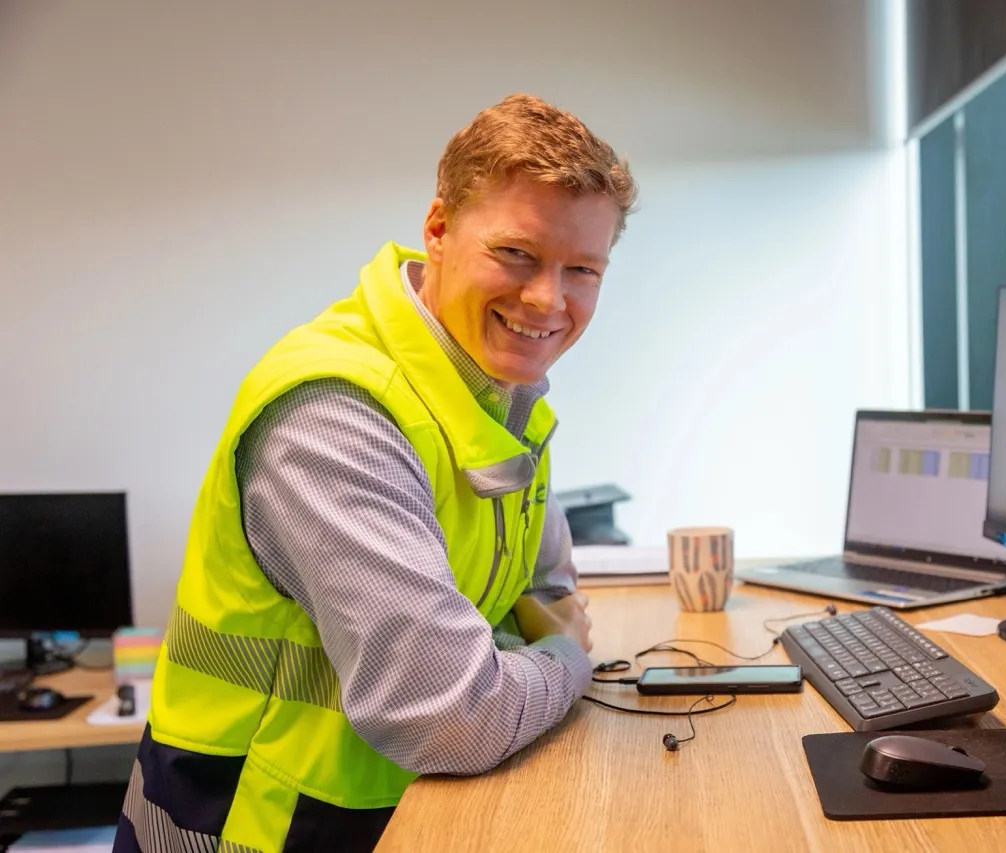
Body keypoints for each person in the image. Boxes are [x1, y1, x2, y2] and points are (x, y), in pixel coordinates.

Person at [114, 93, 637, 853]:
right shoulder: (337, 415)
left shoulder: (493, 387)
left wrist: (539, 633)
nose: (547, 300)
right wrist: (567, 659)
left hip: (391, 808)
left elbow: (544, 583)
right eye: (517, 253)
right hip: (254, 820)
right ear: (438, 228)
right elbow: (452, 714)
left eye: (582, 268)